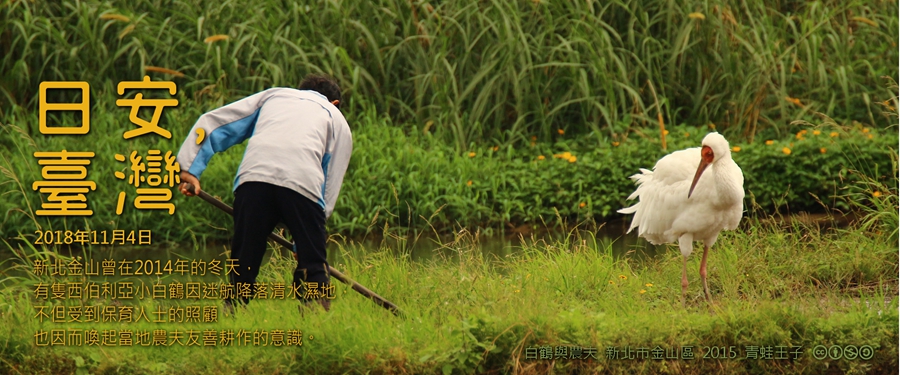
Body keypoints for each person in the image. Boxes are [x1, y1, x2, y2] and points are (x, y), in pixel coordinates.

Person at [175, 74, 352, 313]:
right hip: (303, 184)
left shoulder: (275, 96)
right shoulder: (335, 118)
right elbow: (329, 183)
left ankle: (234, 309)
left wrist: (189, 169)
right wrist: (307, 240)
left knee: (244, 257)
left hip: (253, 180)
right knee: (313, 265)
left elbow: (215, 122)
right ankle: (316, 312)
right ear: (335, 103)